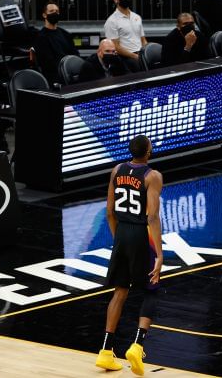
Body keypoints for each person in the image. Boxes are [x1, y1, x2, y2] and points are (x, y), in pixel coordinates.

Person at [95, 135, 163, 376]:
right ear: (148, 151)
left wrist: (118, 238)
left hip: (122, 232)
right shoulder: (152, 176)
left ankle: (105, 351)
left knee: (120, 291)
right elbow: (152, 217)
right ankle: (137, 346)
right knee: (151, 288)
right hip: (140, 234)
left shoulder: (116, 170)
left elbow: (109, 211)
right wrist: (160, 253)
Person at [32, 2, 78, 84]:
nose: (55, 13)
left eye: (57, 11)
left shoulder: (65, 34)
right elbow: (48, 64)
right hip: (56, 76)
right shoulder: (41, 37)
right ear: (44, 15)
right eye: (51, 11)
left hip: (71, 71)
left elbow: (75, 53)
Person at [104, 0, 146, 72]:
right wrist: (136, 57)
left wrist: (146, 53)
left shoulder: (137, 17)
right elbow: (116, 47)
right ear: (116, 0)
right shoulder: (111, 21)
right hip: (126, 58)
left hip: (140, 55)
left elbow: (143, 40)